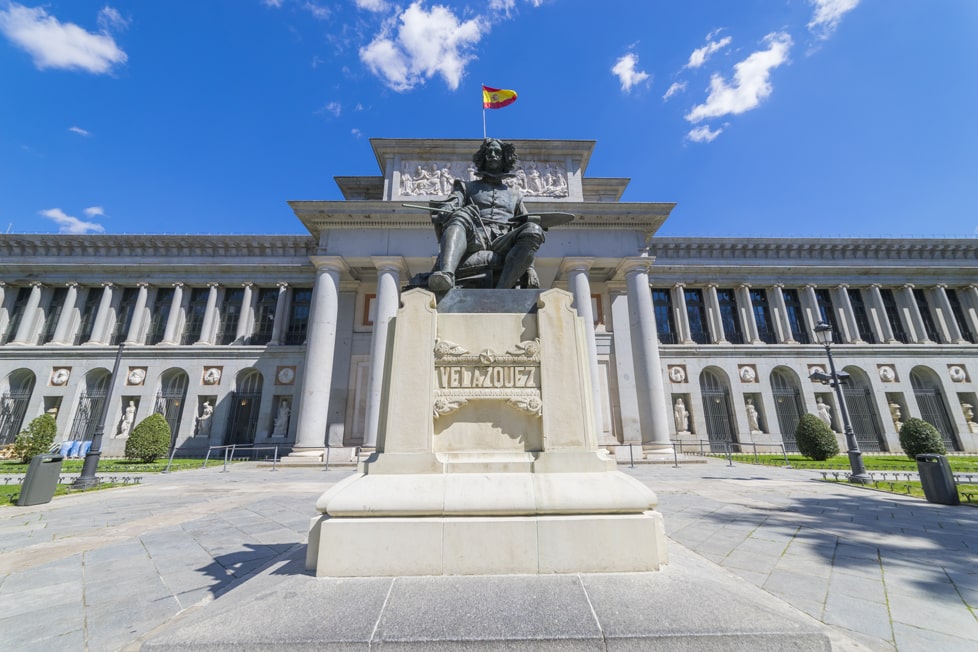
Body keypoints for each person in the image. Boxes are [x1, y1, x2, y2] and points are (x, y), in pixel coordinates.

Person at [427, 139, 545, 291]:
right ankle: (446, 275)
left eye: (497, 152)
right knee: (461, 214)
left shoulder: (515, 195)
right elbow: (451, 204)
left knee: (534, 229)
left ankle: (502, 291)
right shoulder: (466, 187)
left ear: (505, 158)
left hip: (503, 242)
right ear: (482, 158)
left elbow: (525, 224)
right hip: (474, 239)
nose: (493, 155)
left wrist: (530, 267)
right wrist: (447, 209)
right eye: (489, 153)